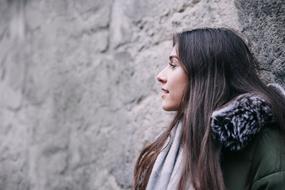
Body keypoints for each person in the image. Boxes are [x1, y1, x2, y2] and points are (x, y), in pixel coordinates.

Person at [132, 28, 285, 190]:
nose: (160, 76)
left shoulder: (265, 146)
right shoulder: (175, 144)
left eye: (173, 65)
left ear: (206, 75)